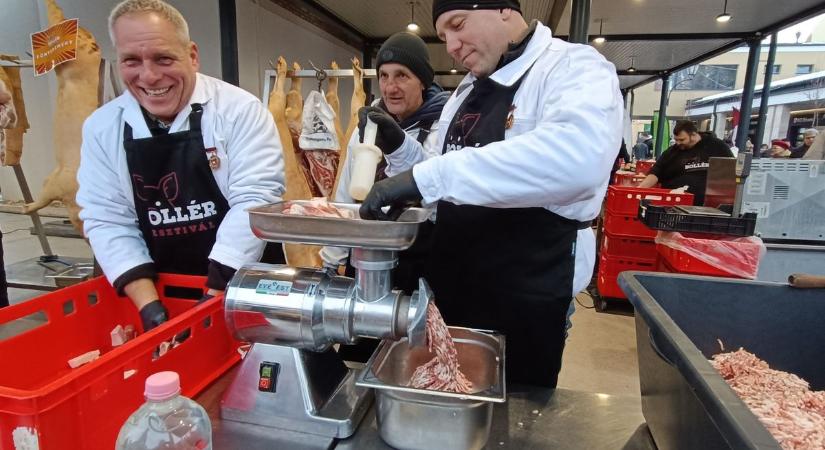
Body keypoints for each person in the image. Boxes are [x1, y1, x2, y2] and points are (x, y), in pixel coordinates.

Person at [356, 0, 623, 387]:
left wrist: (427, 176)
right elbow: (440, 171)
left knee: (513, 413)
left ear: (502, 10)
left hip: (525, 288)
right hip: (455, 283)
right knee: (446, 393)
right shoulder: (467, 91)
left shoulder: (572, 67)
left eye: (458, 24)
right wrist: (401, 149)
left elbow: (577, 159)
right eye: (444, 35)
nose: (451, 45)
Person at [76, 0, 284, 333]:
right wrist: (152, 310)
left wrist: (209, 302)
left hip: (242, 286)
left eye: (164, 58)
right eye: (132, 60)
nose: (149, 75)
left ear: (192, 55)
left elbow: (256, 201)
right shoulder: (102, 127)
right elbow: (107, 218)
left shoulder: (239, 111)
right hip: (159, 287)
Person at [320, 31, 450, 295]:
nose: (390, 87)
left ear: (423, 81)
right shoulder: (366, 126)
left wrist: (399, 146)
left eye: (402, 75)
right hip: (365, 261)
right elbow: (346, 195)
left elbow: (441, 196)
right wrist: (331, 263)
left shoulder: (443, 125)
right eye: (384, 76)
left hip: (423, 267)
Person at [639, 120, 732, 205]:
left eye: (682, 139)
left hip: (707, 206)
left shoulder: (717, 146)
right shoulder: (672, 152)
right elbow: (655, 173)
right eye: (676, 140)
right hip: (674, 204)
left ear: (693, 135)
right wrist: (638, 190)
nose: (678, 143)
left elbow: (731, 170)